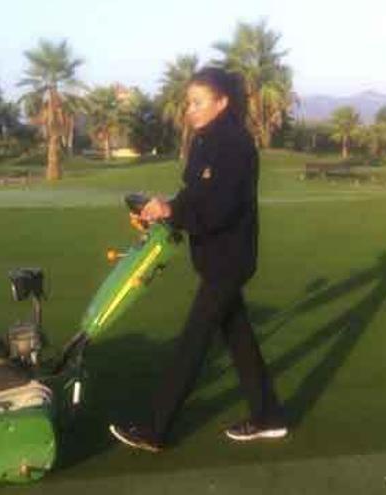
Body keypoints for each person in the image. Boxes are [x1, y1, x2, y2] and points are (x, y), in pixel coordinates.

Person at [109, 67, 286, 452]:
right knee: (239, 338)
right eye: (189, 102)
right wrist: (166, 207)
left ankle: (156, 430)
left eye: (197, 102)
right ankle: (268, 415)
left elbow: (219, 209)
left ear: (222, 102)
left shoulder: (235, 145)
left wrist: (173, 213)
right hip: (215, 258)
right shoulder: (207, 141)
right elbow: (194, 194)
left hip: (229, 260)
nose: (189, 109)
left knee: (192, 344)